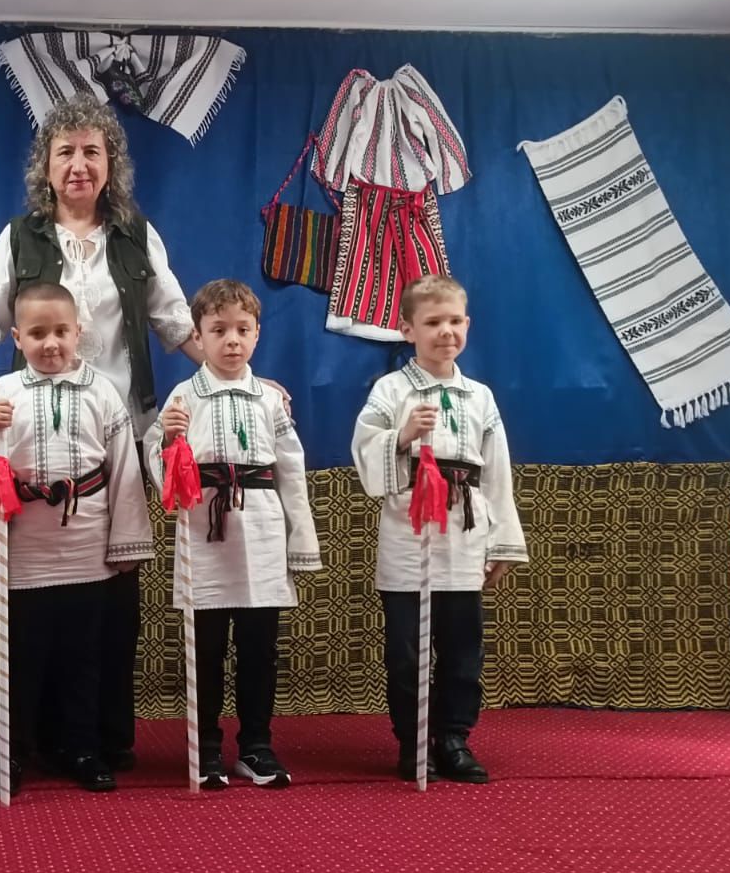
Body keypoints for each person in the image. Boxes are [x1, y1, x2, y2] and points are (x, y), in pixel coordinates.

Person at [0, 93, 197, 772]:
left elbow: (175, 321)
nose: (79, 164)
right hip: (38, 440)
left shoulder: (136, 236)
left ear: (111, 164)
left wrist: (240, 371)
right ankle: (37, 737)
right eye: (66, 152)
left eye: (92, 152)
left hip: (115, 435)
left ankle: (99, 737)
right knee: (39, 604)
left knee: (108, 601)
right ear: (45, 167)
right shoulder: (21, 237)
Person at [0, 282, 154, 796]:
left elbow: (125, 471)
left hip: (87, 547)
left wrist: (126, 544)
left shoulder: (103, 392)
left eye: (60, 332)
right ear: (17, 337)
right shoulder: (3, 391)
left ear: (79, 332)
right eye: (37, 334)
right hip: (25, 550)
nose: (50, 343)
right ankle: (13, 751)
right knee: (21, 657)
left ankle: (83, 748)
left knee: (83, 657)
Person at [352, 275, 527, 783]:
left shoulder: (479, 397)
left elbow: (497, 473)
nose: (445, 331)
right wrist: (403, 436)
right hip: (409, 534)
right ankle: (414, 741)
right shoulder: (391, 390)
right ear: (408, 330)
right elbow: (365, 452)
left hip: (463, 534)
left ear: (467, 325)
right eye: (432, 322)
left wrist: (501, 543)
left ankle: (453, 737)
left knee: (462, 649)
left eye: (454, 321)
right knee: (406, 653)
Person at [146, 280, 320, 790]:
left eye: (242, 330)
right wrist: (169, 438)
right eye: (218, 330)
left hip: (262, 530)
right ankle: (205, 749)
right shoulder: (183, 397)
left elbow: (291, 469)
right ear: (198, 336)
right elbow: (161, 467)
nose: (231, 341)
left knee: (259, 648)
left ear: (257, 334)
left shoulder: (270, 399)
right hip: (205, 531)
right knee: (206, 650)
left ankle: (256, 746)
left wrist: (300, 539)